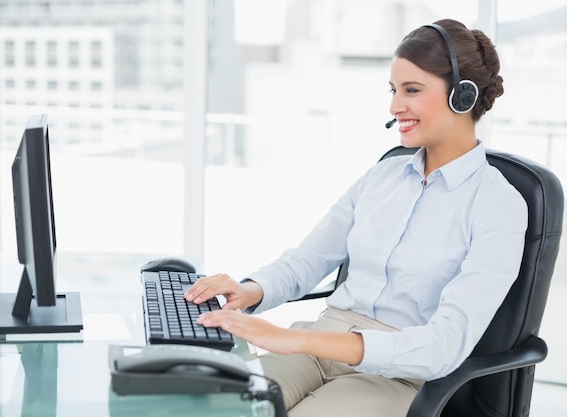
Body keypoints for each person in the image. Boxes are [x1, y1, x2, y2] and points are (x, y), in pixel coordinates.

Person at [185, 18, 528, 417]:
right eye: (394, 90)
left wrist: (292, 340)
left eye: (412, 91)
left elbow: (442, 347)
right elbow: (309, 258)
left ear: (463, 96)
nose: (395, 106)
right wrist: (250, 290)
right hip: (317, 345)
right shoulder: (383, 176)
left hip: (394, 374)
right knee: (215, 406)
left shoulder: (498, 205)